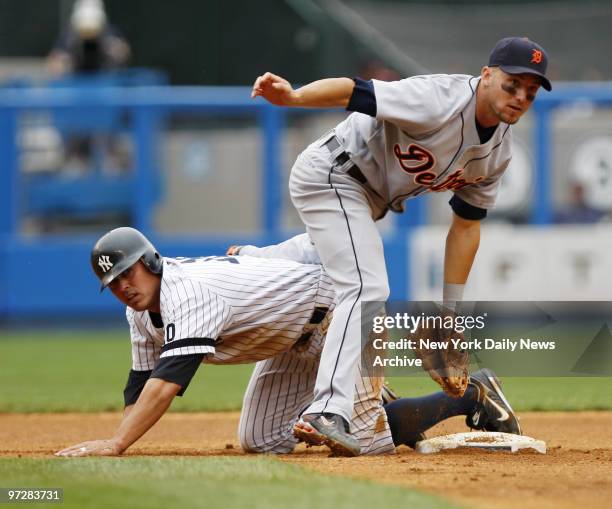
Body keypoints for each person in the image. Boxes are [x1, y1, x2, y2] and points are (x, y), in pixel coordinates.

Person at [250, 36, 551, 453]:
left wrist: (450, 312)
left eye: (530, 92)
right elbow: (354, 91)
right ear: (486, 76)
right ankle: (328, 410)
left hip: (364, 201)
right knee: (367, 288)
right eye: (511, 84)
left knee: (340, 274)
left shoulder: (497, 154)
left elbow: (465, 226)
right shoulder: (438, 99)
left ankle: (258, 263)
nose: (520, 97)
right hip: (333, 173)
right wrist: (294, 97)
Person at [55, 228, 521, 458]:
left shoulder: (187, 293)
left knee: (358, 443)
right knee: (261, 441)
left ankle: (474, 393)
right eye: (112, 283)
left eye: (127, 273)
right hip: (293, 338)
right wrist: (117, 438)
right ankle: (369, 398)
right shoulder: (139, 310)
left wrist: (116, 444)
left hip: (343, 314)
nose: (122, 287)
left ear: (151, 261)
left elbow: (167, 383)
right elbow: (141, 381)